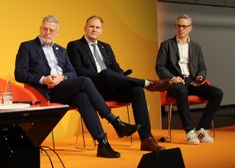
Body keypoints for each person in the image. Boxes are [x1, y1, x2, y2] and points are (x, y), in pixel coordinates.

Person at [14, 15, 141, 158]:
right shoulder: (28, 47)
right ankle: (115, 121)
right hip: (47, 91)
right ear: (40, 29)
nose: (47, 33)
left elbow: (72, 72)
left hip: (64, 86)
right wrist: (43, 79)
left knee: (83, 97)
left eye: (51, 30)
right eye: (45, 29)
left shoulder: (61, 50)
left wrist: (62, 77)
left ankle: (102, 143)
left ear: (57, 33)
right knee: (85, 81)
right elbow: (20, 74)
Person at [66, 15, 172, 152]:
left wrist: (120, 76)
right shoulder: (74, 46)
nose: (94, 29)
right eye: (91, 26)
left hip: (111, 87)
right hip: (93, 88)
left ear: (101, 31)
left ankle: (146, 139)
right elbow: (78, 71)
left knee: (136, 90)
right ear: (85, 28)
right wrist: (104, 76)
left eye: (97, 27)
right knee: (105, 73)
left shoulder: (106, 47)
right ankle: (147, 83)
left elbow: (115, 67)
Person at [155, 14, 224, 145]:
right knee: (182, 91)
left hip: (192, 81)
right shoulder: (166, 45)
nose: (180, 29)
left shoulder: (196, 47)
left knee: (217, 93)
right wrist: (173, 78)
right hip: (175, 83)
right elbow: (159, 67)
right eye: (178, 26)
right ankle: (189, 131)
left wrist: (200, 77)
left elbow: (202, 67)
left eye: (184, 26)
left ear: (190, 28)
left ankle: (201, 129)